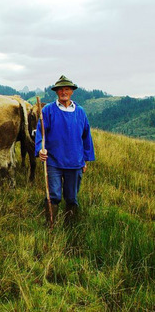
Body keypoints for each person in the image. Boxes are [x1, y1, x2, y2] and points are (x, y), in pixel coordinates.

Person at [35, 75, 95, 224]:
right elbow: (40, 133)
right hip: (53, 161)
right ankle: (51, 227)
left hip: (75, 162)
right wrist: (40, 150)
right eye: (60, 89)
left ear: (72, 91)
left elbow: (86, 136)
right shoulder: (48, 110)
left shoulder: (80, 112)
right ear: (56, 92)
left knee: (72, 197)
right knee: (53, 195)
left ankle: (70, 228)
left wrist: (85, 160)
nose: (64, 92)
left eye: (67, 89)